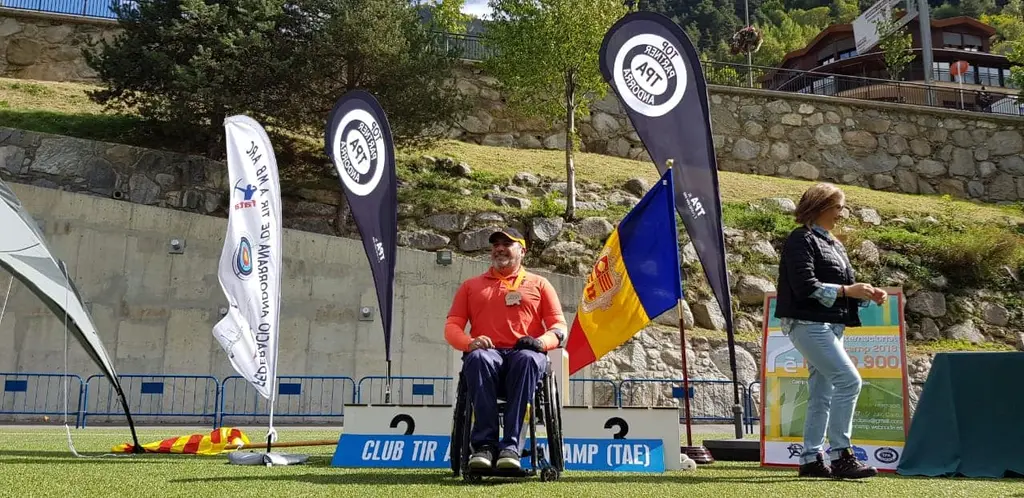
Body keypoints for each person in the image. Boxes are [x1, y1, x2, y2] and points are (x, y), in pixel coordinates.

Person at [775, 183, 888, 480]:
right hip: (808, 324)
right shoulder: (801, 239)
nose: (842, 213)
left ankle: (812, 459)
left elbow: (840, 289)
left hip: (830, 325)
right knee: (849, 381)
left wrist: (865, 293)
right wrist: (848, 290)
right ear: (822, 206)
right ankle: (841, 455)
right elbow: (804, 286)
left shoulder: (833, 243)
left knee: (822, 393)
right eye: (838, 207)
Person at [444, 228, 567, 471]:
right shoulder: (471, 286)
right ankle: (484, 447)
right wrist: (469, 342)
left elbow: (559, 326)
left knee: (528, 359)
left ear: (522, 250)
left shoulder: (540, 284)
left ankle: (511, 447)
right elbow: (452, 326)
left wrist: (541, 343)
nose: (500, 248)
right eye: (496, 244)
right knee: (477, 358)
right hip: (488, 355)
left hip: (524, 356)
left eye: (507, 244)